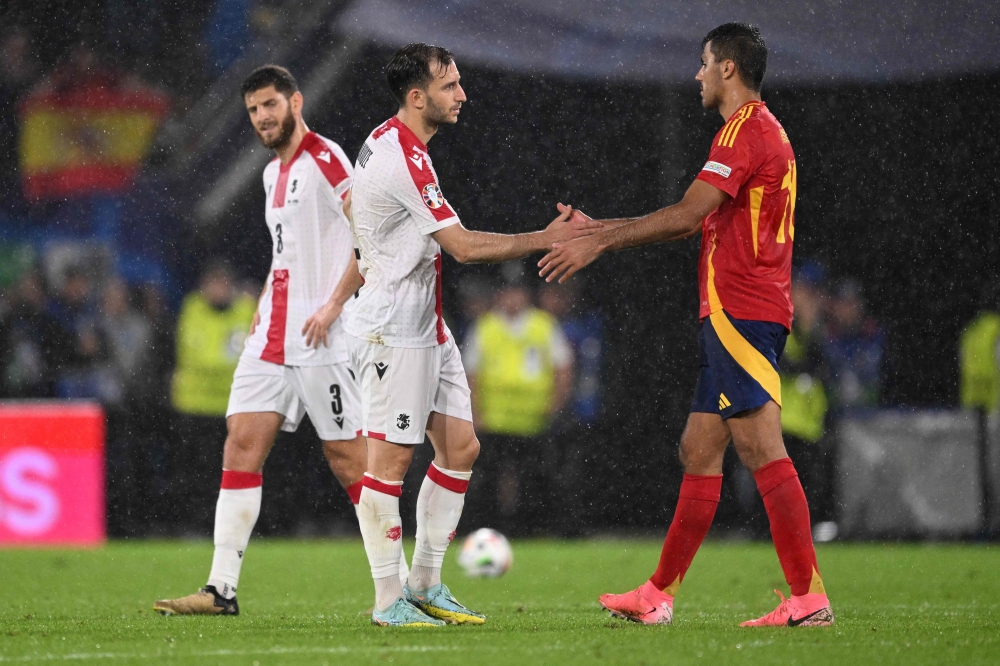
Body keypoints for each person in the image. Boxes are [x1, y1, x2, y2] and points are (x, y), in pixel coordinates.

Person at [539, 23, 833, 627]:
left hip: (742, 312)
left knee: (760, 444)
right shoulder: (753, 130)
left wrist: (601, 246)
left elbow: (685, 217)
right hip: (738, 311)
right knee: (698, 450)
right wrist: (597, 230)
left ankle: (809, 599)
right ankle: (657, 595)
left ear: (728, 68)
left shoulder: (745, 129)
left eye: (703, 63)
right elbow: (696, 218)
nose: (697, 74)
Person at [343, 42, 599, 627]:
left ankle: (427, 583)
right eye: (450, 85)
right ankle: (388, 602)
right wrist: (544, 237)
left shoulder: (398, 145)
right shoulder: (402, 156)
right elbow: (460, 246)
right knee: (388, 465)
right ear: (417, 97)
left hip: (426, 325)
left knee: (462, 448)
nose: (463, 94)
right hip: (391, 332)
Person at [154, 65, 404, 615]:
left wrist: (336, 304)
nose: (262, 117)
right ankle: (221, 589)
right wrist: (261, 309)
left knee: (349, 462)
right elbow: (285, 254)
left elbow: (371, 236)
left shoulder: (326, 158)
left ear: (296, 101)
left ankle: (398, 588)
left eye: (270, 105)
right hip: (270, 337)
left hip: (324, 338)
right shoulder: (271, 174)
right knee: (241, 444)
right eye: (253, 111)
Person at [463, 265, 573, 535]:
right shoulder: (485, 326)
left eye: (517, 292)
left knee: (535, 479)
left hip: (534, 420)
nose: (512, 299)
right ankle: (490, 529)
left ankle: (532, 529)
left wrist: (555, 405)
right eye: (507, 292)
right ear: (499, 296)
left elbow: (563, 369)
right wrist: (475, 414)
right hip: (494, 420)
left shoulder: (543, 325)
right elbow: (470, 374)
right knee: (489, 480)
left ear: (526, 295)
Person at [168, 260, 256, 532]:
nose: (218, 290)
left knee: (237, 473)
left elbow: (253, 355)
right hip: (195, 407)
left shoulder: (246, 309)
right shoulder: (193, 309)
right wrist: (229, 366)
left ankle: (237, 526)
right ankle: (198, 526)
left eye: (222, 284)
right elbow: (196, 357)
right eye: (213, 284)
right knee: (197, 474)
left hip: (235, 408)